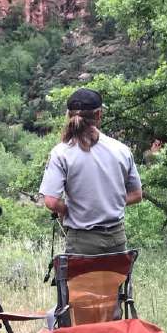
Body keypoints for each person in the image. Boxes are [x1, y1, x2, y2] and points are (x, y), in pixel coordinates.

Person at [40, 87, 143, 255]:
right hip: (116, 240)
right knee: (114, 281)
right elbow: (137, 195)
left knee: (80, 282)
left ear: (69, 115)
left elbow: (51, 202)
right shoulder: (121, 150)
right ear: (98, 115)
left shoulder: (60, 153)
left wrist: (70, 210)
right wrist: (107, 203)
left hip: (82, 242)